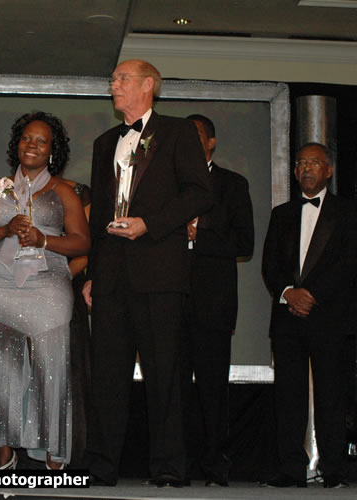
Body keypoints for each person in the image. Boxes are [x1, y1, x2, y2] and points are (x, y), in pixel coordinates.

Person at [83, 59, 212, 487]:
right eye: (113, 79)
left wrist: (149, 224)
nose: (113, 84)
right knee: (107, 374)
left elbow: (199, 192)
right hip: (111, 276)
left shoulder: (176, 132)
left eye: (121, 79)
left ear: (148, 85)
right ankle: (102, 465)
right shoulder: (105, 141)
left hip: (159, 272)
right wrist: (92, 274)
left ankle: (169, 465)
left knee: (165, 372)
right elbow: (99, 214)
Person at [0, 112, 90, 470]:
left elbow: (83, 242)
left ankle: (53, 447)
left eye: (41, 141)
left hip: (48, 287)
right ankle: (3, 450)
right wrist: (3, 232)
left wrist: (44, 238)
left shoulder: (65, 191)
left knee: (50, 367)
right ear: (16, 144)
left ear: (53, 151)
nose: (31, 146)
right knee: (0, 365)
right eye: (26, 139)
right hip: (0, 285)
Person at [261, 143, 357, 488]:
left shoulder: (347, 213)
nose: (306, 168)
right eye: (301, 163)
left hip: (330, 318)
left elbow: (348, 265)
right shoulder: (281, 213)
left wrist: (312, 295)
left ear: (328, 170)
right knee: (288, 396)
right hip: (288, 319)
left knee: (331, 394)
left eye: (314, 163)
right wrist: (289, 293)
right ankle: (291, 468)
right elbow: (270, 265)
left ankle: (334, 468)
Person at [181, 114, 254, 486]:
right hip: (169, 301)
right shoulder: (166, 183)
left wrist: (199, 233)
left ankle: (214, 466)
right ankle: (173, 467)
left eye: (196, 136)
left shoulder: (232, 184)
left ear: (211, 143)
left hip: (213, 304)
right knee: (171, 388)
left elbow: (244, 244)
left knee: (212, 389)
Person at [62, 178, 92, 467]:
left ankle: (70, 453)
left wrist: (56, 282)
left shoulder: (80, 192)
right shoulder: (22, 191)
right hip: (28, 295)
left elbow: (84, 250)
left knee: (69, 372)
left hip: (65, 290)